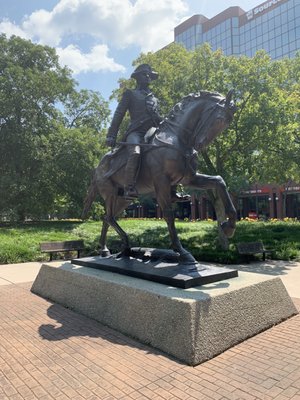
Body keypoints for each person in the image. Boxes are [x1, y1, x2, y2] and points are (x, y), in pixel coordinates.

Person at [106, 63, 190, 202]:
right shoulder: (130, 94)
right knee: (135, 153)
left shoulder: (153, 98)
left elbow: (156, 118)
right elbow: (119, 114)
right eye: (145, 74)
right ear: (138, 77)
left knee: (170, 151)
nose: (148, 77)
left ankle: (172, 191)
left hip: (152, 132)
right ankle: (129, 187)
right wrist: (111, 134)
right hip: (136, 132)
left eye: (150, 75)